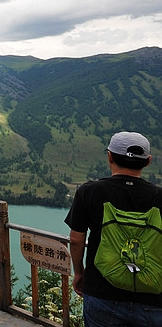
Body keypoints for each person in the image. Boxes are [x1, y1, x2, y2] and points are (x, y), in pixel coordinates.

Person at [65, 131, 162, 326]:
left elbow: (76, 240)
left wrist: (79, 273)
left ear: (109, 156)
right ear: (148, 161)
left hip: (102, 294)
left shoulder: (89, 191)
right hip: (154, 300)